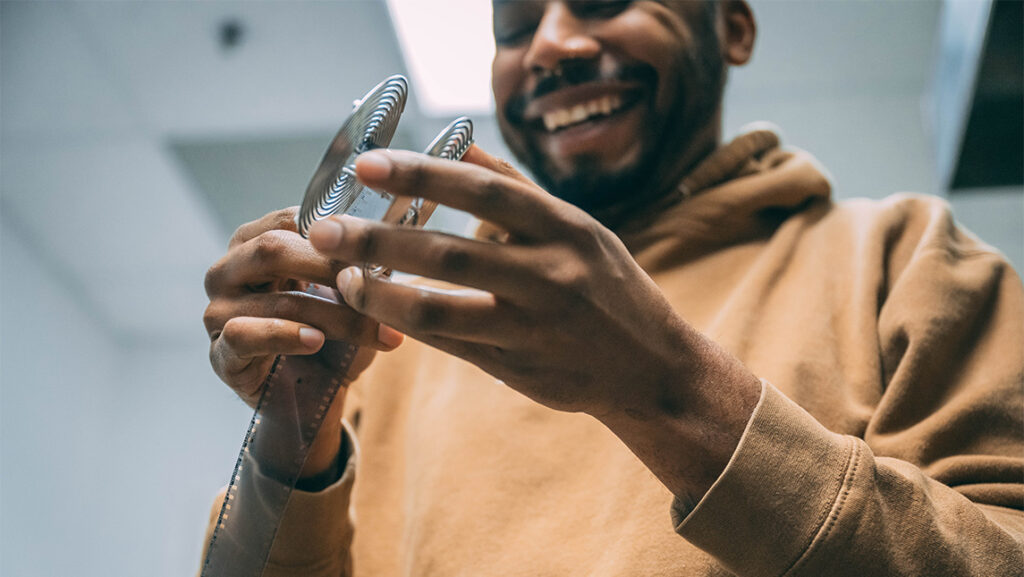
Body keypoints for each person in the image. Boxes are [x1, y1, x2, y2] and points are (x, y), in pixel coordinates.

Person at [201, 1, 1024, 575]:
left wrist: (672, 393)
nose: (551, 43)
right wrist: (293, 433)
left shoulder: (905, 257)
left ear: (732, 25)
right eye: (515, 26)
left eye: (604, 0)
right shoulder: (404, 334)